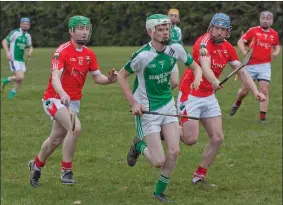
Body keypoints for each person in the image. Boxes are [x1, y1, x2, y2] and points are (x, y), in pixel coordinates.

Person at [117, 13, 221, 202]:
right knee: (158, 161)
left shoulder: (176, 49)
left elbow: (195, 66)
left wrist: (198, 76)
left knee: (174, 151)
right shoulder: (142, 56)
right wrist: (134, 103)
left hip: (167, 106)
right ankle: (139, 145)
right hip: (147, 110)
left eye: (167, 29)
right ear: (151, 32)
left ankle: (159, 192)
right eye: (161, 30)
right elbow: (121, 76)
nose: (166, 33)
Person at [28, 15, 117, 188]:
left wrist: (110, 79)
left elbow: (98, 77)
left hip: (73, 102)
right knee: (75, 128)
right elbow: (55, 78)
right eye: (80, 29)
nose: (84, 32)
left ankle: (36, 165)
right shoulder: (61, 52)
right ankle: (66, 171)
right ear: (71, 31)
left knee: (55, 139)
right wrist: (62, 93)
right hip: (53, 99)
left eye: (87, 29)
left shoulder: (89, 54)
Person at [177, 13, 266, 184]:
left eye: (222, 29)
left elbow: (242, 71)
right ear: (211, 28)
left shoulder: (228, 47)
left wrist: (255, 91)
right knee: (190, 139)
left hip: (208, 96)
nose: (218, 32)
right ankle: (164, 131)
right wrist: (214, 81)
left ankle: (199, 175)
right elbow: (205, 66)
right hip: (190, 94)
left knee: (217, 138)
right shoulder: (203, 43)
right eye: (216, 28)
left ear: (227, 32)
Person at [229, 11, 280, 123]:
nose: (265, 20)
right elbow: (241, 41)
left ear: (272, 21)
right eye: (263, 18)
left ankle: (262, 118)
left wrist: (276, 52)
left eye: (268, 18)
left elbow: (276, 45)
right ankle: (237, 102)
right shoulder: (253, 31)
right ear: (260, 19)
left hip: (265, 66)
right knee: (245, 90)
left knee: (264, 90)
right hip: (250, 65)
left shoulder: (274, 34)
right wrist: (243, 52)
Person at [1, 17, 33, 99]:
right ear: (20, 24)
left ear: (29, 26)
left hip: (21, 60)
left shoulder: (28, 36)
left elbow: (30, 46)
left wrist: (30, 51)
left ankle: (12, 92)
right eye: (24, 24)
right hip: (13, 59)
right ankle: (5, 80)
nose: (25, 26)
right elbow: (4, 41)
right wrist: (8, 52)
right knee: (20, 77)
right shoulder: (15, 33)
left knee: (20, 79)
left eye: (27, 24)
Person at [168, 8, 183, 89]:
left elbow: (180, 44)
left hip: (173, 58)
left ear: (178, 19)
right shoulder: (164, 28)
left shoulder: (178, 30)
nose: (173, 17)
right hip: (162, 57)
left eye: (175, 16)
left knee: (175, 83)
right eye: (171, 15)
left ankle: (164, 93)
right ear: (167, 17)